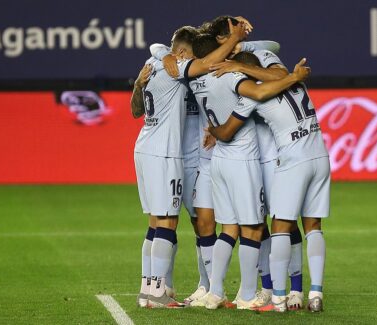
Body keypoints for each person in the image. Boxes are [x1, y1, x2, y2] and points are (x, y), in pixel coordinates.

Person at [189, 34, 311, 310]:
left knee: (231, 228)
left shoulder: (202, 80)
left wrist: (215, 131)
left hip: (221, 160)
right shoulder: (240, 85)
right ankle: (253, 293)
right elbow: (260, 92)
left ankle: (216, 291)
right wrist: (294, 77)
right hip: (249, 163)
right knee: (256, 228)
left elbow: (272, 47)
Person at [130, 20, 247, 308]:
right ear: (184, 54)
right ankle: (158, 291)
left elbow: (137, 107)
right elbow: (206, 63)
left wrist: (159, 55)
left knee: (159, 221)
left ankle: (153, 289)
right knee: (167, 221)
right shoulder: (176, 68)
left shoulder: (153, 62)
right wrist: (234, 39)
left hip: (149, 149)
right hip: (167, 154)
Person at [208, 52, 329, 313]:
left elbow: (227, 131)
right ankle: (315, 293)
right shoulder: (293, 81)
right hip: (319, 155)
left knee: (279, 227)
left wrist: (212, 130)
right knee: (313, 226)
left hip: (292, 161)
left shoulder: (253, 94)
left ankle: (278, 298)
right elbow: (279, 75)